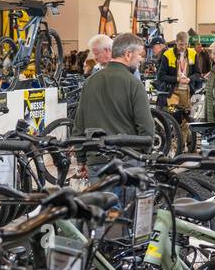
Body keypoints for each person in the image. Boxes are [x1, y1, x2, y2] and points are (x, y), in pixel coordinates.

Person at [73, 33, 154, 171]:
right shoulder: (134, 84)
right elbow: (146, 128)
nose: (141, 59)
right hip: (127, 161)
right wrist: (145, 154)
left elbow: (79, 125)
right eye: (139, 54)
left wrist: (81, 159)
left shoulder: (89, 82)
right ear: (128, 54)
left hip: (96, 161)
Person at [155, 32, 198, 109]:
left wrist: (189, 79)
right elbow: (161, 76)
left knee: (186, 118)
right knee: (173, 115)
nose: (183, 47)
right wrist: (177, 79)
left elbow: (197, 73)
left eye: (186, 44)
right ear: (176, 42)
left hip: (188, 92)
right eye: (181, 44)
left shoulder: (193, 54)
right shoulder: (167, 54)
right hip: (172, 92)